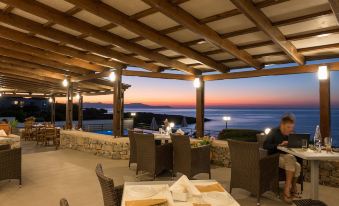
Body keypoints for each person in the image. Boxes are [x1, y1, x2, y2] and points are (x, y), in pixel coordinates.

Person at [263, 113, 301, 203]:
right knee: (290, 158)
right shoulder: (274, 131)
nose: (290, 129)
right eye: (288, 127)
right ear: (282, 125)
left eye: (292, 127)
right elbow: (265, 145)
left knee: (298, 165)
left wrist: (293, 143)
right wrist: (278, 145)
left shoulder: (291, 134)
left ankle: (293, 186)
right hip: (274, 157)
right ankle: (287, 189)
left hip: (288, 158)